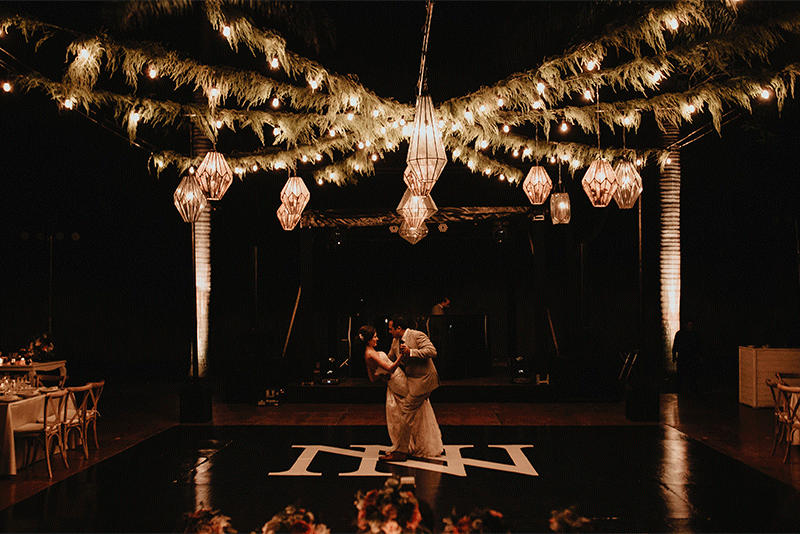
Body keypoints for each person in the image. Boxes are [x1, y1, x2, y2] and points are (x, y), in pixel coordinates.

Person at [358, 324, 443, 460]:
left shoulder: (369, 353)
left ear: (398, 328)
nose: (378, 338)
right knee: (411, 409)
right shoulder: (372, 353)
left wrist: (382, 375)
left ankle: (406, 447)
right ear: (368, 340)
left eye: (391, 329)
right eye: (375, 337)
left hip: (398, 380)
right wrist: (403, 356)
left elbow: (373, 377)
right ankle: (409, 446)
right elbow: (390, 368)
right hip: (397, 380)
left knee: (408, 409)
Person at [381, 315, 443, 461]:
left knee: (406, 411)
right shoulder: (395, 341)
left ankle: (401, 452)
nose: (389, 332)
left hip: (423, 380)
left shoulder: (417, 335)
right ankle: (424, 444)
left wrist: (411, 352)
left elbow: (432, 351)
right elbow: (390, 358)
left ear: (399, 328)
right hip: (412, 381)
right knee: (417, 413)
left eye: (391, 329)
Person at [672, 319, 703, 393]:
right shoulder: (682, 334)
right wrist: (674, 356)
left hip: (690, 358)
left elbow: (698, 347)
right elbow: (675, 346)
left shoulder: (692, 335)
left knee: (691, 376)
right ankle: (683, 390)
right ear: (685, 325)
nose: (690, 327)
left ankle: (689, 390)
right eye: (689, 325)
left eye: (691, 325)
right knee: (683, 376)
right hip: (684, 358)